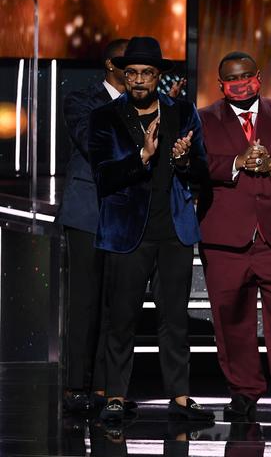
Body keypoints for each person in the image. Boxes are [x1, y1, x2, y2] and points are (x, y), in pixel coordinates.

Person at [88, 36, 213, 422]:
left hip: (173, 231)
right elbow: (104, 175)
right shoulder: (105, 117)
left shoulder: (184, 112)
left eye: (146, 73)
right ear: (123, 76)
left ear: (158, 76)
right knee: (121, 317)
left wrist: (184, 160)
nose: (139, 80)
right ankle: (115, 395)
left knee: (174, 318)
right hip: (128, 233)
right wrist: (143, 155)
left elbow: (202, 174)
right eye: (132, 73)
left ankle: (179, 396)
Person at [198, 51, 271, 420]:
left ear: (258, 77)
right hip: (225, 236)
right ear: (220, 84)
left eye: (246, 76)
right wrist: (235, 163)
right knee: (230, 317)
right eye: (231, 79)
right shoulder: (202, 120)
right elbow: (194, 164)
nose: (239, 83)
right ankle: (243, 391)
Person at [58, 39, 128, 413]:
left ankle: (104, 385)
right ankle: (75, 385)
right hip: (88, 211)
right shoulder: (82, 100)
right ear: (109, 64)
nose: (133, 69)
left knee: (114, 302)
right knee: (84, 301)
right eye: (126, 61)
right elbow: (93, 144)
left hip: (126, 214)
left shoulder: (145, 103)